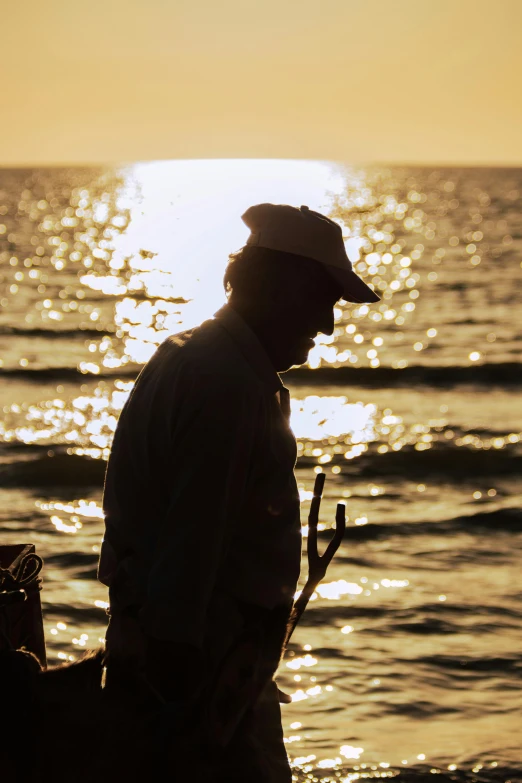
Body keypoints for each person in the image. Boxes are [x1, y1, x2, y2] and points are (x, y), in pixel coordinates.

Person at [97, 202, 380, 781]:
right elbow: (192, 540)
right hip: (197, 678)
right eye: (323, 302)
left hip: (194, 668)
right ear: (283, 288)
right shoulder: (227, 384)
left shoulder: (197, 357)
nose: (326, 327)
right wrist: (184, 700)